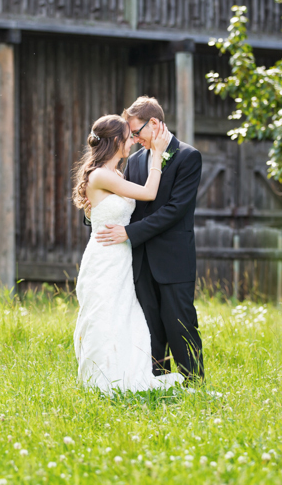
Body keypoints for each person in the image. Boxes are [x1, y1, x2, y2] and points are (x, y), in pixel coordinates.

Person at [71, 114, 184, 394]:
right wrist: (157, 155)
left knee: (124, 315)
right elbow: (148, 193)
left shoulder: (117, 175)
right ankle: (103, 380)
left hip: (121, 256)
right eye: (128, 137)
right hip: (106, 256)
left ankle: (123, 371)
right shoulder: (100, 176)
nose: (133, 142)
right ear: (116, 142)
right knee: (105, 315)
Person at [94, 97, 204, 382]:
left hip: (173, 260)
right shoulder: (136, 161)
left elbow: (174, 210)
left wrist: (130, 233)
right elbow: (130, 204)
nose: (133, 139)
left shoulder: (188, 156)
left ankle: (194, 384)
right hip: (140, 260)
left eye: (136, 132)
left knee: (181, 324)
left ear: (154, 123)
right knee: (148, 328)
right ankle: (157, 383)